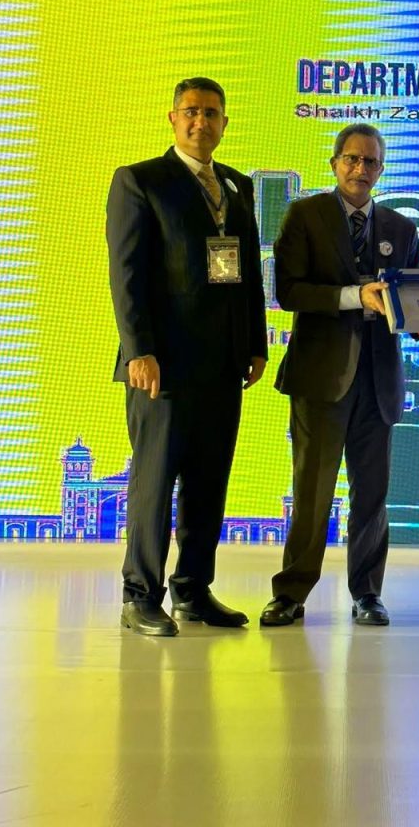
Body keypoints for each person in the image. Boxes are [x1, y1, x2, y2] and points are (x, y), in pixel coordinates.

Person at [260, 123, 419, 628]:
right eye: (352, 159)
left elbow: (407, 302)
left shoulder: (401, 229)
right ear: (335, 163)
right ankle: (290, 593)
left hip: (378, 381)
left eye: (371, 162)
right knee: (312, 491)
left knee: (372, 496)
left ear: (381, 170)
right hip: (320, 378)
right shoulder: (305, 216)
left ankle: (367, 593)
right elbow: (290, 292)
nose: (360, 169)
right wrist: (353, 296)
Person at [107, 77, 267, 636]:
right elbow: (126, 274)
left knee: (208, 483)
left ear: (225, 123)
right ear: (173, 118)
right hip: (162, 366)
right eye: (191, 111)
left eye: (212, 112)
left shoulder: (237, 185)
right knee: (155, 484)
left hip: (222, 364)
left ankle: (193, 591)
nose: (202, 121)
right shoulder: (140, 181)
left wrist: (255, 343)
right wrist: (139, 351)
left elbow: (247, 272)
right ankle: (139, 596)